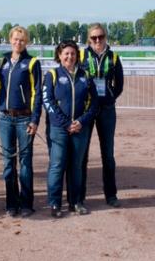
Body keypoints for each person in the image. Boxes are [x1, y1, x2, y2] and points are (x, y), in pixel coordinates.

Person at [42, 40, 97, 217]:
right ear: (59, 55)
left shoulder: (85, 76)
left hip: (80, 128)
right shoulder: (52, 75)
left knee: (77, 167)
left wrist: (81, 121)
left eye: (73, 53)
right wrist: (66, 123)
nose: (69, 57)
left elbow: (94, 103)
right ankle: (54, 203)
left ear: (77, 56)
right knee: (57, 165)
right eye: (66, 53)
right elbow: (48, 101)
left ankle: (76, 202)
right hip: (59, 129)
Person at [0, 26, 41, 217]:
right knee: (8, 163)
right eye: (15, 39)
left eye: (21, 40)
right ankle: (11, 204)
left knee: (25, 162)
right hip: (4, 118)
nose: (18, 43)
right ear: (10, 40)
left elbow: (37, 93)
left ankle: (26, 204)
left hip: (24, 119)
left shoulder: (32, 63)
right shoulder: (4, 62)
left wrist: (34, 119)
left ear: (26, 42)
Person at [81, 23, 125, 207]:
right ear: (89, 39)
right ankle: (79, 196)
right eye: (94, 38)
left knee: (108, 155)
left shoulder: (113, 57)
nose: (97, 40)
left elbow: (119, 84)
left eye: (100, 37)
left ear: (105, 37)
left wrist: (109, 97)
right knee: (82, 155)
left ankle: (111, 195)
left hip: (106, 111)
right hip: (87, 110)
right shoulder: (82, 55)